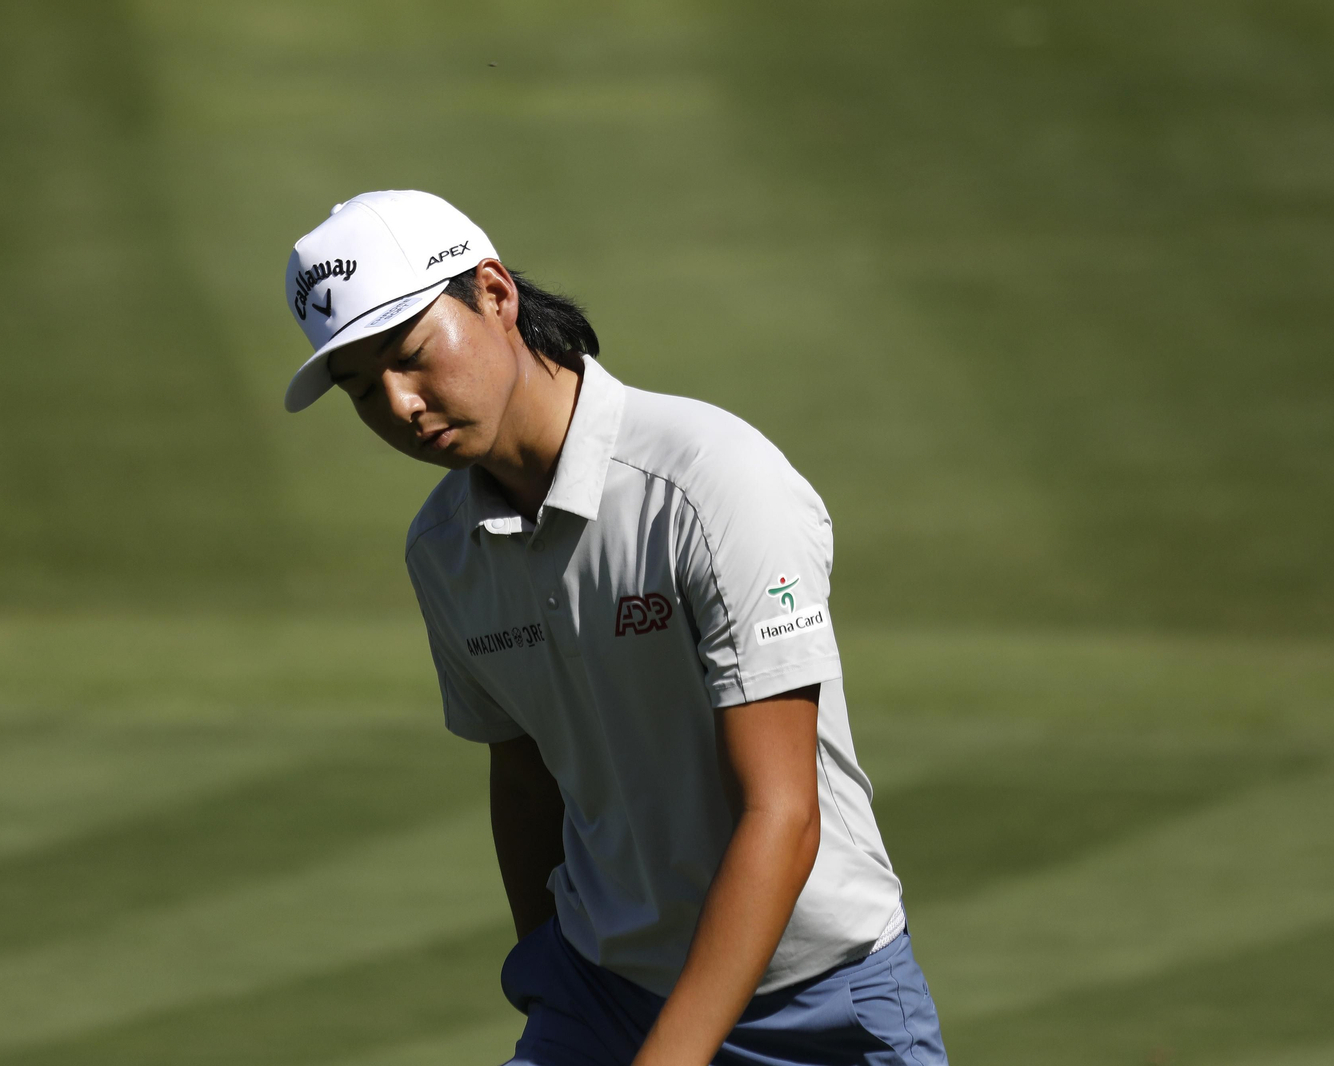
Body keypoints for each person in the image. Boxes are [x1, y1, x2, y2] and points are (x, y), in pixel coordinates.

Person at [281, 190, 948, 1066]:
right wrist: (549, 980)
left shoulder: (715, 482)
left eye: (410, 357)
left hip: (819, 1009)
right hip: (601, 995)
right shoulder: (443, 549)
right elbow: (523, 778)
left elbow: (782, 813)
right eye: (362, 390)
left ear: (494, 293)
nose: (401, 405)